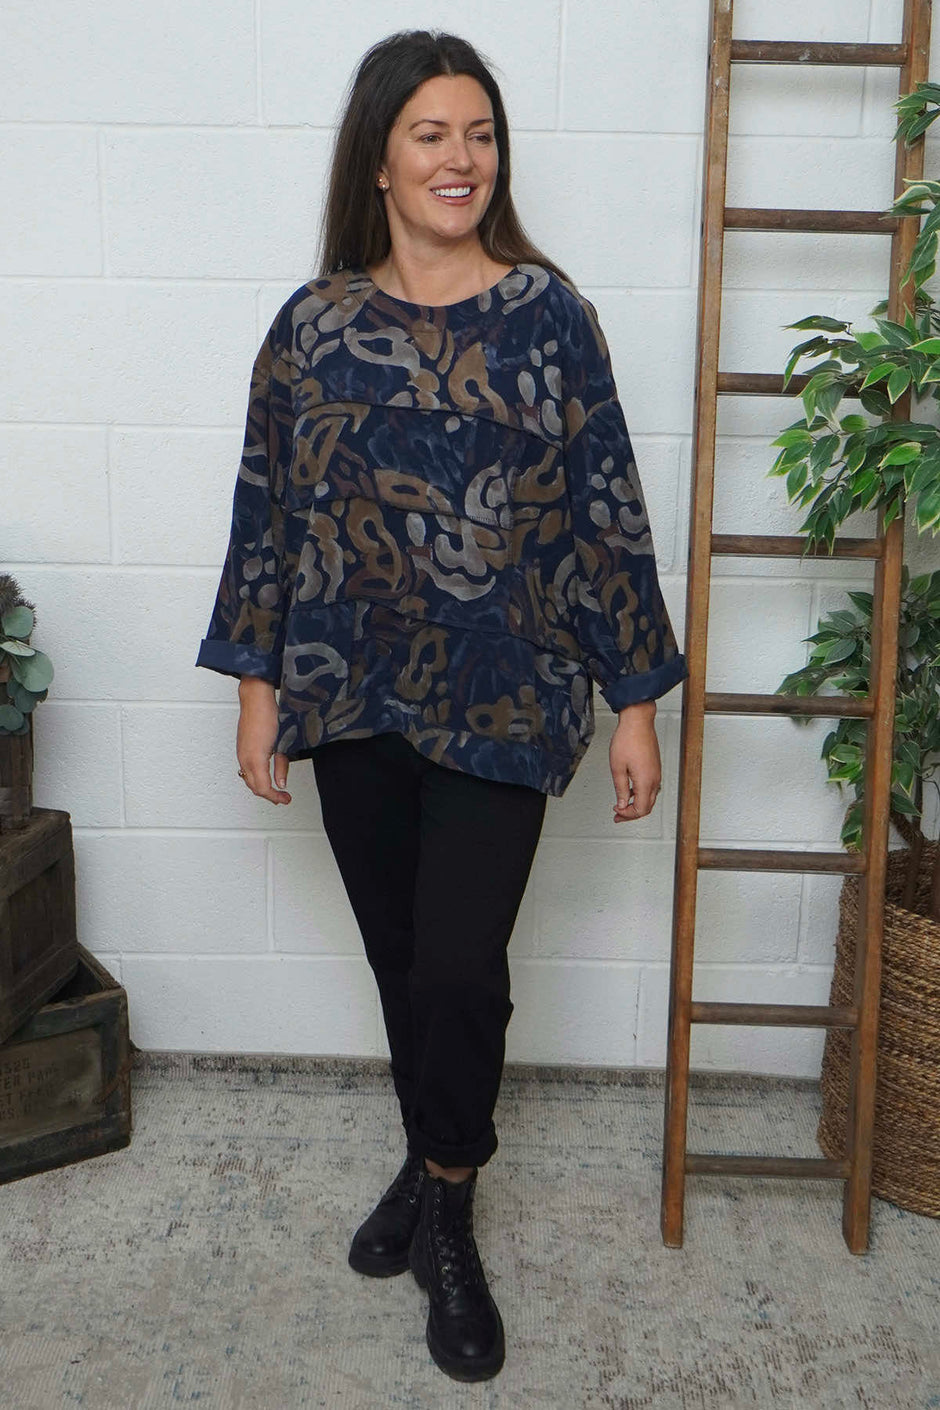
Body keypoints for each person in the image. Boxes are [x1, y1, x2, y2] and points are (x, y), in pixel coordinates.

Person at [196, 28, 689, 1384]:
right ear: (380, 158)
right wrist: (256, 692)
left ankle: (450, 1214)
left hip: (505, 698)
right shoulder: (310, 328)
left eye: (480, 133)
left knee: (462, 971)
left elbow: (605, 512)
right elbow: (265, 516)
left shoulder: (548, 318)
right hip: (348, 692)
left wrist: (635, 702)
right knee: (402, 960)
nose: (461, 158)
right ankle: (430, 1162)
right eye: (432, 134)